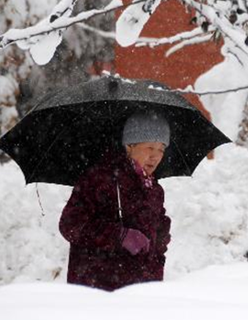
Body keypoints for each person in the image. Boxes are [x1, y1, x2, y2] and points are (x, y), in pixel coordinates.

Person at [59, 112, 173, 291]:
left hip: (143, 290)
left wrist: (159, 245)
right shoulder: (100, 178)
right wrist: (119, 236)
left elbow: (159, 228)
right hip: (98, 289)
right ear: (129, 146)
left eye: (161, 149)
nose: (156, 156)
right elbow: (71, 225)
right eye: (150, 147)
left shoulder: (154, 189)